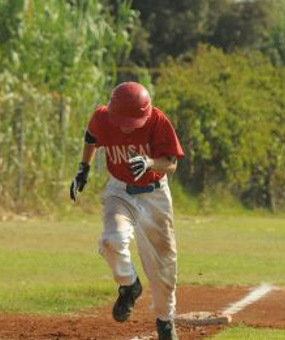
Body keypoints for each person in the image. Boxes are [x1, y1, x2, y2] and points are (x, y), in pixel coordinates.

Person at [70, 82, 184, 340]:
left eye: (130, 121)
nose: (123, 126)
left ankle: (165, 322)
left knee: (163, 265)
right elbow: (91, 137)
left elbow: (172, 163)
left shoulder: (158, 121)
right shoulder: (102, 117)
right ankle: (129, 286)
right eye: (119, 119)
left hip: (154, 194)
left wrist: (149, 162)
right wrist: (83, 169)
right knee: (111, 241)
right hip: (120, 191)